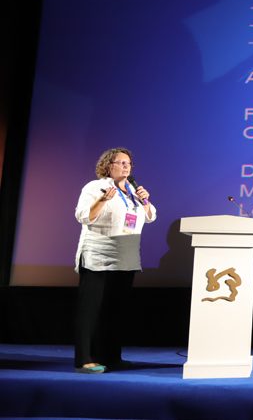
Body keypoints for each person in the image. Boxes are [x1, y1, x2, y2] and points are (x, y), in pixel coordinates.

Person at [73, 147, 156, 373]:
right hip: (98, 257)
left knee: (115, 312)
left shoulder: (133, 190)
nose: (126, 166)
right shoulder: (95, 187)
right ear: (108, 166)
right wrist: (102, 200)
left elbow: (150, 217)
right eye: (120, 162)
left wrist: (145, 201)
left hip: (125, 258)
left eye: (128, 163)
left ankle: (111, 357)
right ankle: (84, 359)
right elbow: (82, 215)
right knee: (91, 311)